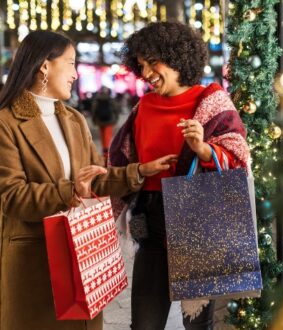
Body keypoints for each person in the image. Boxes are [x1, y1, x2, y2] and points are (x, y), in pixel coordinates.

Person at [0, 30, 177, 330]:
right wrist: (70, 190)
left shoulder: (73, 119)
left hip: (81, 257)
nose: (75, 73)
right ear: (45, 65)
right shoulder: (6, 123)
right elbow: (12, 197)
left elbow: (94, 178)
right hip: (36, 263)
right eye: (70, 63)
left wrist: (139, 171)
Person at [109, 22, 250, 330]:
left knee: (197, 325)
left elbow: (238, 159)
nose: (146, 73)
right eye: (141, 65)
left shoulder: (212, 102)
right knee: (144, 324)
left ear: (176, 56)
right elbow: (122, 159)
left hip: (198, 219)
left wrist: (202, 149)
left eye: (152, 62)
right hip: (151, 221)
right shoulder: (143, 106)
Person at [91, 87, 120, 162]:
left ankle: (104, 150)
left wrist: (94, 119)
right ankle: (106, 153)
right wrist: (116, 118)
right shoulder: (111, 99)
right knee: (108, 136)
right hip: (109, 120)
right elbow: (116, 109)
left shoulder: (97, 100)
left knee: (103, 135)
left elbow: (94, 110)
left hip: (100, 121)